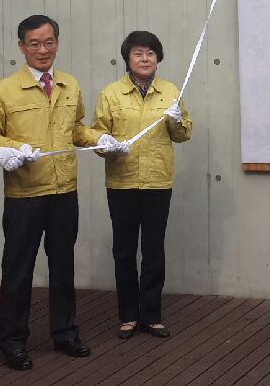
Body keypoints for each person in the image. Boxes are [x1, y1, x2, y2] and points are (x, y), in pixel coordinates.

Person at [0, 15, 97, 369]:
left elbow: (76, 129)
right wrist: (12, 149)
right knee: (18, 269)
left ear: (57, 43)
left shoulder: (69, 85)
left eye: (48, 42)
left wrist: (101, 139)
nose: (42, 50)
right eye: (34, 43)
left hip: (64, 190)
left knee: (63, 266)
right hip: (24, 194)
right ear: (21, 46)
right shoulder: (4, 90)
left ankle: (66, 333)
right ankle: (13, 342)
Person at [91, 31, 192, 340]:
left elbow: (183, 134)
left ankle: (151, 316)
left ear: (158, 58)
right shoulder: (111, 93)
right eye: (138, 53)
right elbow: (96, 136)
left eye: (150, 53)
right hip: (121, 183)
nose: (145, 59)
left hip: (158, 182)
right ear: (127, 58)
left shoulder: (170, 91)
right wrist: (107, 145)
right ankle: (128, 316)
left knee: (153, 250)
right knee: (124, 251)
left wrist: (176, 120)